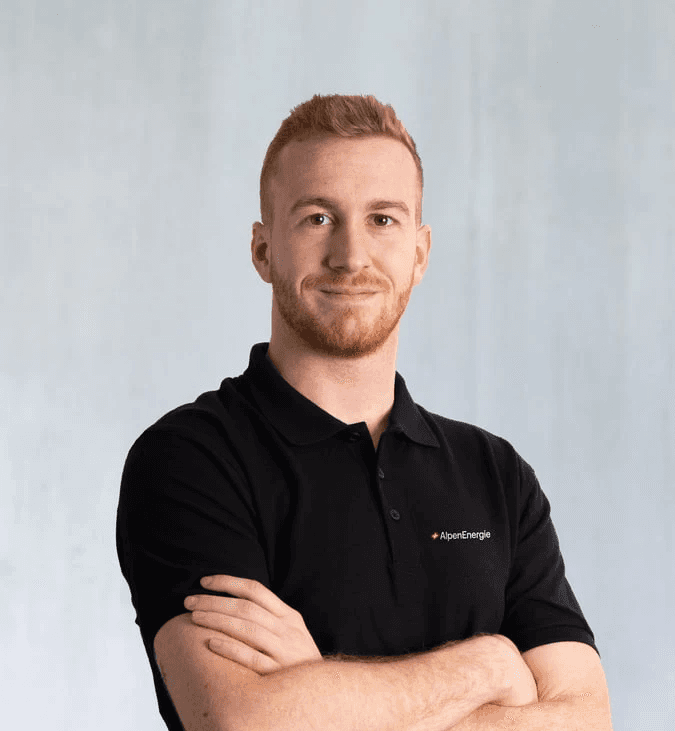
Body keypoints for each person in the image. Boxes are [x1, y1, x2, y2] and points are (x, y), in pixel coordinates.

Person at [116, 93, 613, 731]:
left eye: (382, 219)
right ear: (263, 250)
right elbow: (246, 722)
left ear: (420, 253)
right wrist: (489, 669)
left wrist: (319, 687)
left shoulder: (496, 475)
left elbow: (586, 718)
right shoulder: (192, 459)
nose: (351, 256)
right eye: (318, 218)